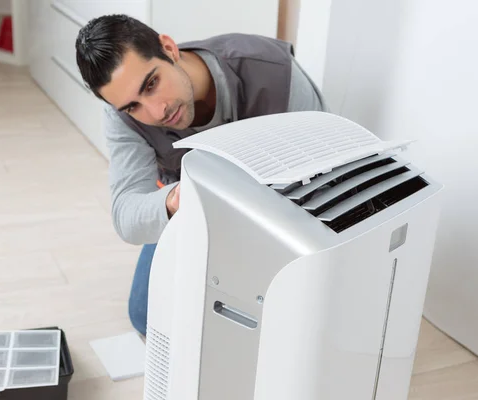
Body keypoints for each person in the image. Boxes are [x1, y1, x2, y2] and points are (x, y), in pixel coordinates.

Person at [75, 14, 329, 336]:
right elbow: (127, 214)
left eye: (152, 84)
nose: (156, 112)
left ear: (168, 48)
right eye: (133, 106)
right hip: (194, 214)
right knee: (145, 315)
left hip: (278, 215)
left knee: (284, 320)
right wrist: (175, 199)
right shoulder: (122, 115)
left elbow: (323, 169)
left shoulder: (273, 71)